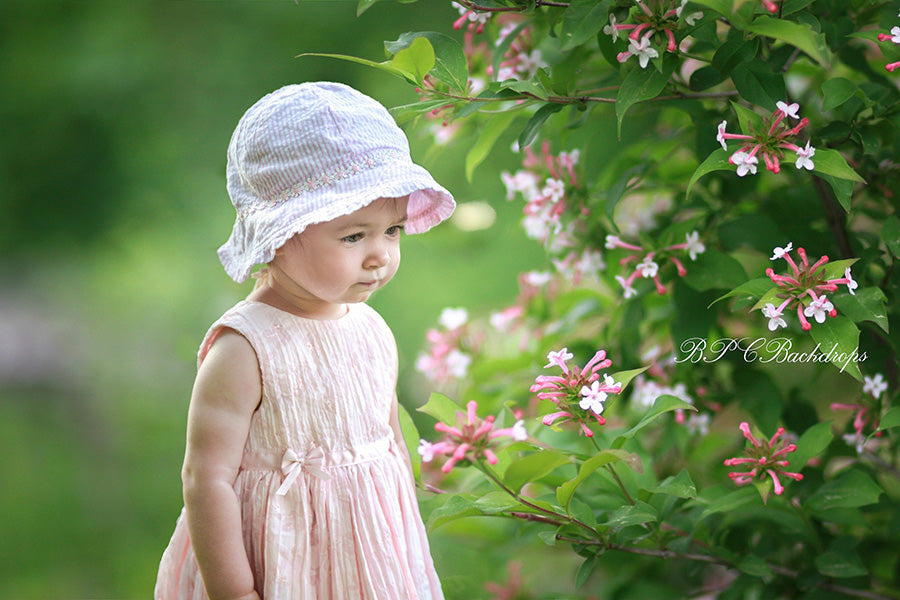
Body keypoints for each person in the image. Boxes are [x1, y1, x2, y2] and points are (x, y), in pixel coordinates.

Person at [155, 82, 455, 600]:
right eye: (354, 236)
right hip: (279, 560)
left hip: (369, 559)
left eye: (393, 231)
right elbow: (206, 478)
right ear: (280, 234)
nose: (380, 255)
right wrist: (235, 591)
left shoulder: (371, 329)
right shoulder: (245, 348)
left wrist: (403, 549)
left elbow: (388, 445)